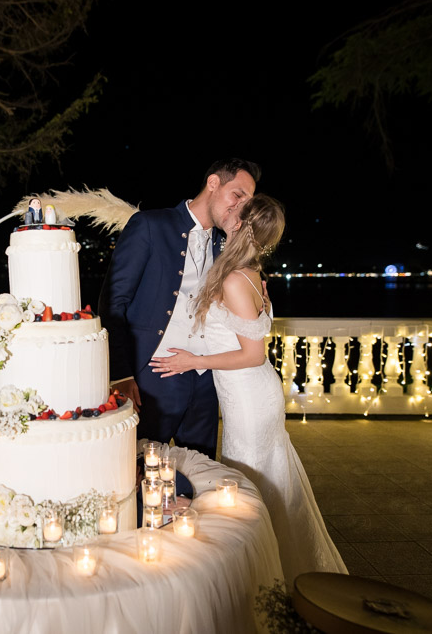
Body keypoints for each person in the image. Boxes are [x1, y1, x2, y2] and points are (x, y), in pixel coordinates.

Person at [149, 194, 347, 584]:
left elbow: (253, 354)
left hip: (249, 396)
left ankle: (265, 576)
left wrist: (193, 361)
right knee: (262, 479)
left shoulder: (236, 279)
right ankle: (275, 568)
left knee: (249, 483)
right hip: (251, 393)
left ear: (240, 225)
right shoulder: (249, 272)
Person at [98, 158, 259, 459]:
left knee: (202, 473)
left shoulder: (224, 246)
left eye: (247, 202)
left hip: (205, 384)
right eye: (237, 195)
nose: (241, 207)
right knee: (138, 466)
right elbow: (113, 302)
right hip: (150, 381)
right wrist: (120, 374)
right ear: (213, 183)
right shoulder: (150, 225)